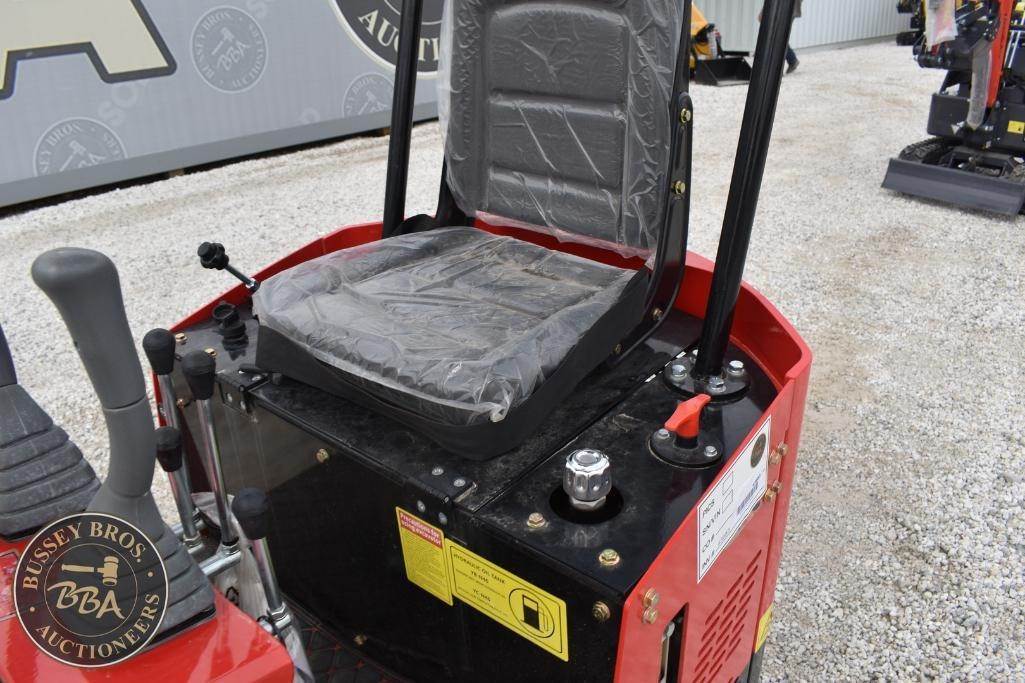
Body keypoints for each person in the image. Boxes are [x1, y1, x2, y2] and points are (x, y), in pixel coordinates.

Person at [760, 0, 803, 74]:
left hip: (784, 8)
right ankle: (791, 60)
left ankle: (777, 69)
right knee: (778, 37)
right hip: (785, 8)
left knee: (778, 37)